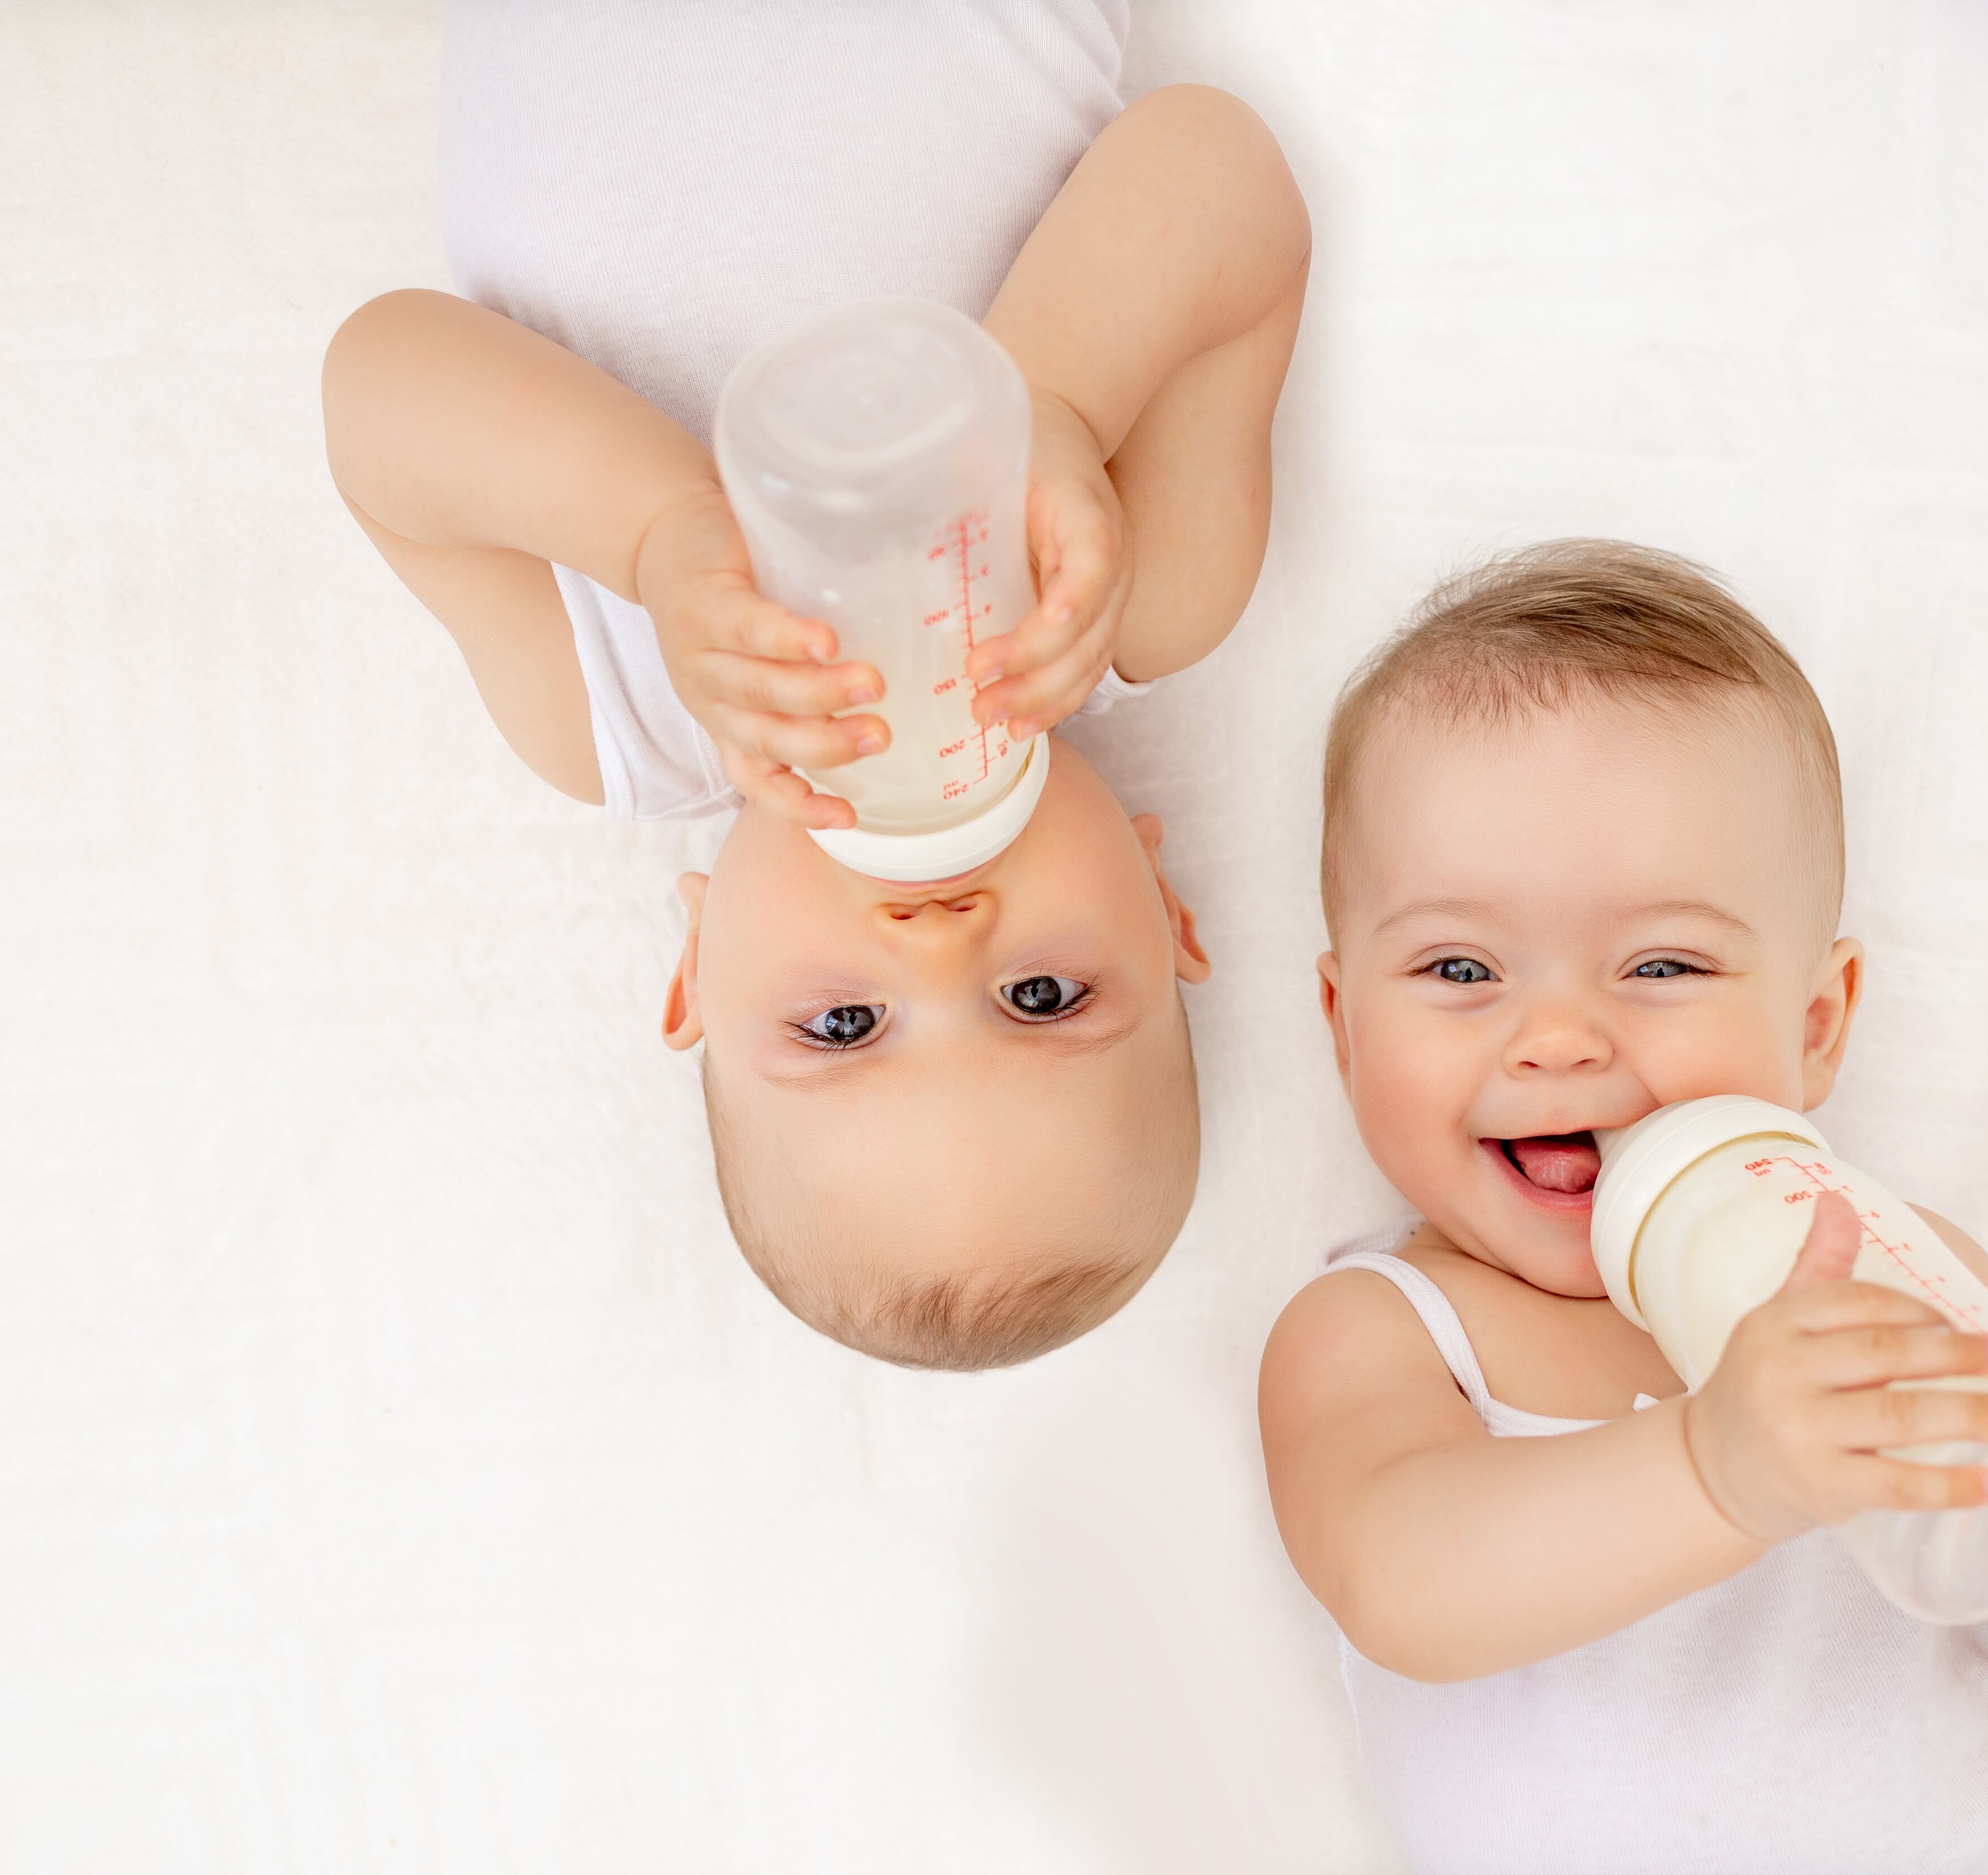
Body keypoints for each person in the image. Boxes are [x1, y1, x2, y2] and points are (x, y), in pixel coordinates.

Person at [321, 4, 1308, 1369]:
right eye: (1042, 997)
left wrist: (657, 535)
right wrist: (1054, 412)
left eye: (844, 1026)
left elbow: (376, 382)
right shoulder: (1143, 589)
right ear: (1163, 904)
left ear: (695, 977)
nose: (938, 938)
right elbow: (1218, 169)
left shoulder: (611, 712)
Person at [1260, 540, 1988, 1872]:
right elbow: (1400, 1584)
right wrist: (1715, 1468)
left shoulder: (1891, 1256)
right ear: (1344, 1024)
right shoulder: (1381, 1328)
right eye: (1460, 967)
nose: (1558, 1037)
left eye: (1660, 963)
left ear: (1814, 1024)